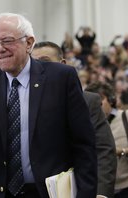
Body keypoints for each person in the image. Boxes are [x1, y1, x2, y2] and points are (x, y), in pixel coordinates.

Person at [0, 12, 97, 198]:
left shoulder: (61, 78)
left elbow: (84, 144)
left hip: (49, 193)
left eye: (6, 41)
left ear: (29, 43)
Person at [31, 41, 117, 198]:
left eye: (44, 61)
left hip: (74, 189)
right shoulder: (24, 104)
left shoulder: (88, 101)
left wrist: (101, 193)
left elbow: (103, 150)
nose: (39, 68)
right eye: (34, 63)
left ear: (63, 64)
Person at [85, 82, 128, 198]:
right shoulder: (86, 123)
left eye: (100, 99)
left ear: (111, 99)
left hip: (127, 189)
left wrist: (122, 151)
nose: (96, 103)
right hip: (98, 190)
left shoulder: (127, 116)